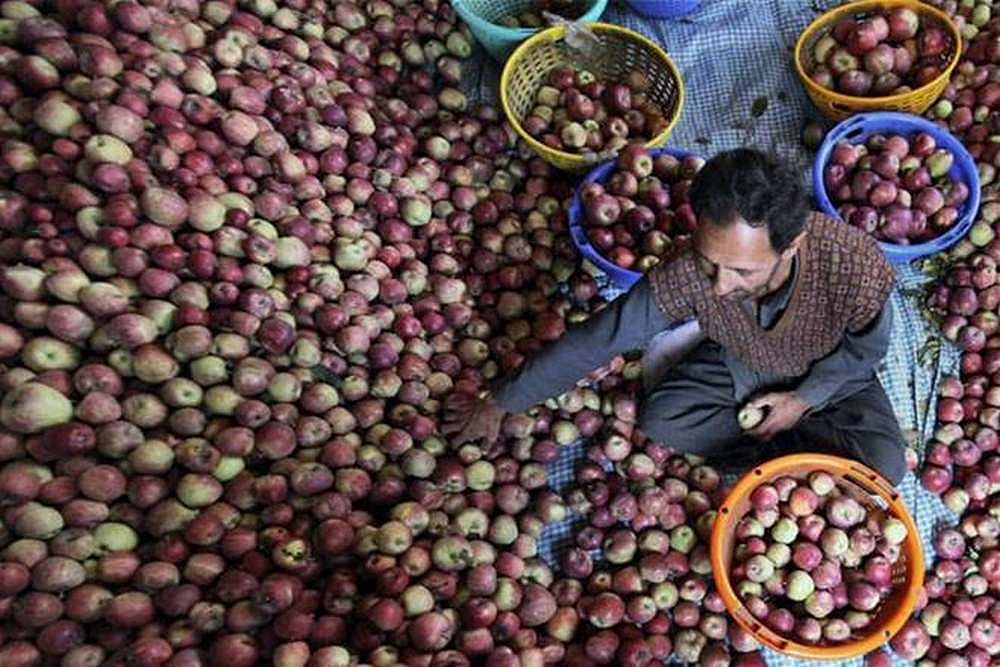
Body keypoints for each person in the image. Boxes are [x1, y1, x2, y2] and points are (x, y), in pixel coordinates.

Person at [443, 148, 907, 485]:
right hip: (746, 363)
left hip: (833, 375)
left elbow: (866, 350)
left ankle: (787, 448)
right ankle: (789, 456)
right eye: (710, 262)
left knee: (884, 468)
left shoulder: (852, 265)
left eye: (743, 271)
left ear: (791, 246)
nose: (720, 286)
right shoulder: (688, 273)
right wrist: (500, 401)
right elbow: (604, 337)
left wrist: (804, 398)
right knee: (663, 420)